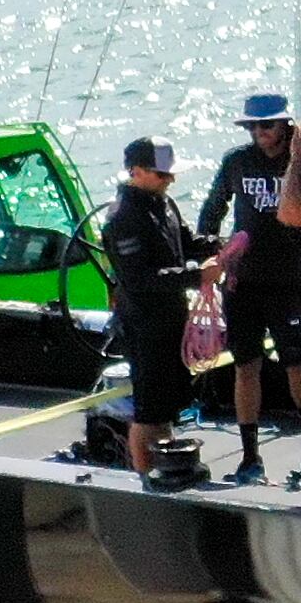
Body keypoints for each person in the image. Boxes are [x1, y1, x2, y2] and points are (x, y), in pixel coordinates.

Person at [201, 93, 301, 484]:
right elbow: (213, 208)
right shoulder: (237, 160)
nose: (258, 133)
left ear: (285, 125)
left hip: (287, 279)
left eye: (266, 125)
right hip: (243, 282)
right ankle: (250, 455)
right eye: (252, 126)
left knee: (295, 359)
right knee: (245, 365)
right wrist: (208, 250)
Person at [96, 137, 208, 482]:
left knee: (165, 406)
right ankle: (146, 476)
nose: (169, 180)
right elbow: (141, 278)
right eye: (162, 175)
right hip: (144, 324)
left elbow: (187, 243)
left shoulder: (164, 203)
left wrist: (221, 247)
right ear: (137, 172)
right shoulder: (122, 218)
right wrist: (196, 275)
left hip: (171, 317)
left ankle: (167, 464)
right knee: (147, 409)